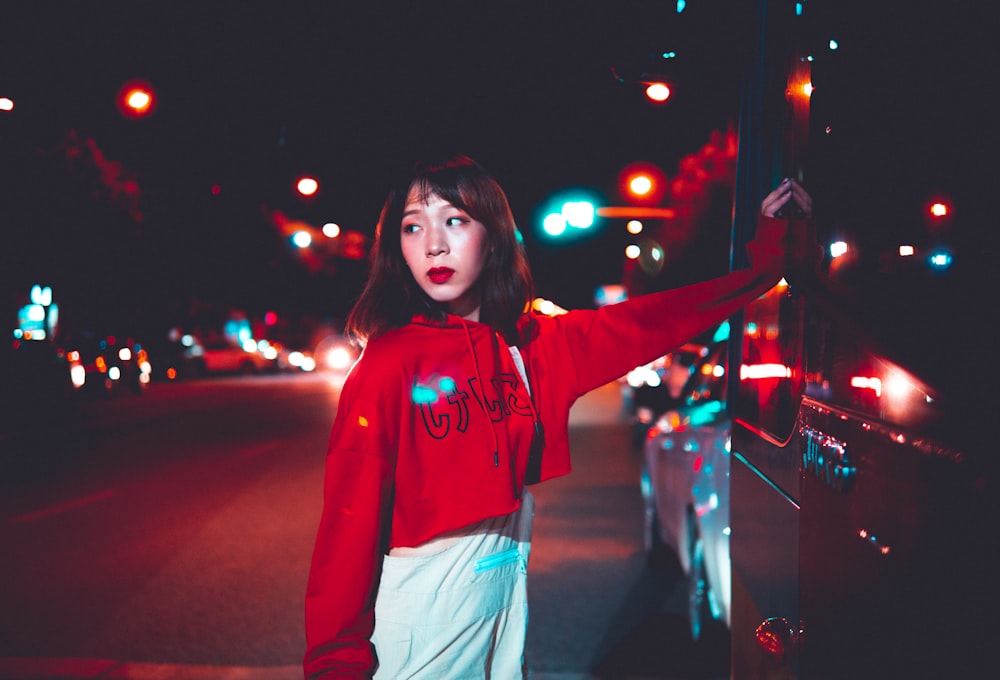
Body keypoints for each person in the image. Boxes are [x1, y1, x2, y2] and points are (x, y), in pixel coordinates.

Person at [303, 156, 813, 679]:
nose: (434, 243)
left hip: (504, 609)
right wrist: (334, 665)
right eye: (413, 226)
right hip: (420, 624)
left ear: (494, 237)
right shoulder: (387, 366)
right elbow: (347, 529)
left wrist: (764, 265)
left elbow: (653, 321)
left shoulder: (532, 347)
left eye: (454, 220)